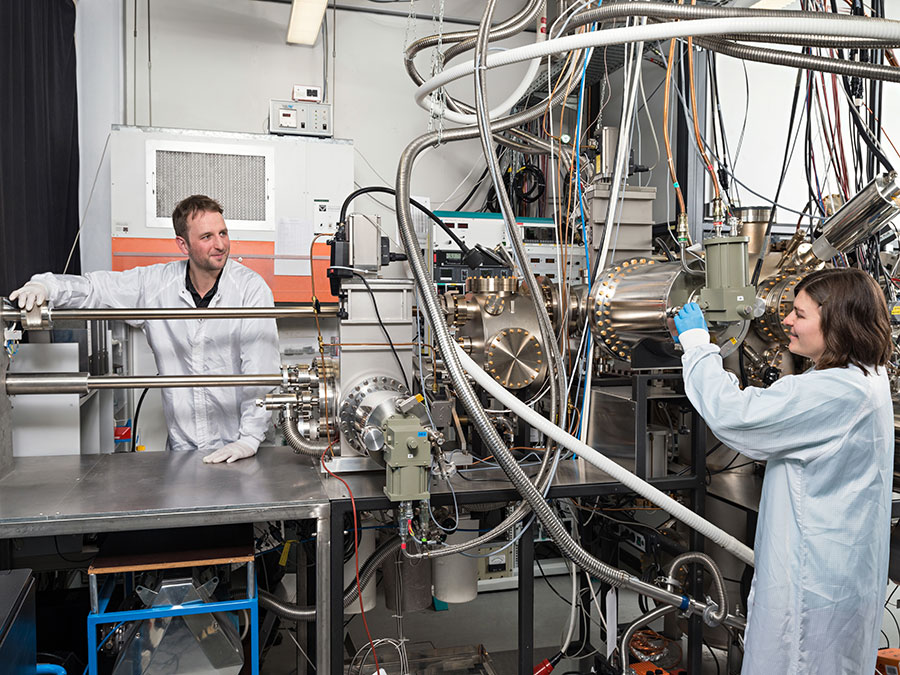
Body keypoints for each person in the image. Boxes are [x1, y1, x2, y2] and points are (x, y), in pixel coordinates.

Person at [673, 267, 894, 675]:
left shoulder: (833, 392)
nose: (787, 321)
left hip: (811, 586)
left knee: (796, 658)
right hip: (834, 573)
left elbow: (736, 416)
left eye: (800, 314)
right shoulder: (863, 376)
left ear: (839, 324)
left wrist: (697, 346)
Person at [10, 194, 280, 463]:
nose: (220, 244)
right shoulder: (156, 285)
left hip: (241, 448)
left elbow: (260, 372)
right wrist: (46, 286)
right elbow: (97, 288)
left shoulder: (250, 290)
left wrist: (250, 439)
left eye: (223, 233)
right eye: (207, 237)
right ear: (182, 245)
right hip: (183, 448)